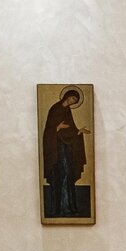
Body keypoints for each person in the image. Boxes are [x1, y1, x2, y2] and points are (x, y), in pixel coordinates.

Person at [41, 86, 87, 219]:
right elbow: (48, 131)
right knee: (58, 177)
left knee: (68, 174)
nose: (73, 101)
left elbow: (70, 130)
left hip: (66, 150)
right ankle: (57, 210)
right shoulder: (55, 109)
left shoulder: (67, 111)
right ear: (67, 96)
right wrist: (57, 127)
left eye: (75, 101)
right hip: (56, 150)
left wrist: (79, 132)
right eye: (73, 98)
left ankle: (69, 207)